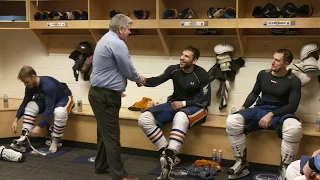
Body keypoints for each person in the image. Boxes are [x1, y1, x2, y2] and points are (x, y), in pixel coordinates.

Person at [225, 49, 303, 180]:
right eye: (273, 58)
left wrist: (272, 114)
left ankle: (285, 168)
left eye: (277, 60)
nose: (273, 62)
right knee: (233, 120)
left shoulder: (294, 80)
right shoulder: (263, 74)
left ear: (286, 64)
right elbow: (254, 93)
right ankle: (241, 162)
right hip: (261, 108)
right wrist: (244, 107)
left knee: (294, 129)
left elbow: (292, 106)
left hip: (281, 112)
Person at [137, 46, 211, 180]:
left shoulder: (202, 74)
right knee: (144, 118)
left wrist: (183, 104)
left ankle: (169, 156)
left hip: (197, 107)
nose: (182, 58)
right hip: (175, 104)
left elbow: (205, 100)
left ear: (194, 61)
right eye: (182, 55)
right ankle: (170, 156)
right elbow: (157, 80)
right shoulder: (174, 69)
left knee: (180, 115)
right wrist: (143, 81)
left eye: (187, 56)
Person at [88, 14, 145, 180]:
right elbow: (127, 68)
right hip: (105, 96)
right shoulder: (117, 43)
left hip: (100, 93)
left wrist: (116, 87)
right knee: (112, 136)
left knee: (103, 133)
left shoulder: (105, 38)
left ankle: (101, 166)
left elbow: (110, 69)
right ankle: (120, 176)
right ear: (120, 29)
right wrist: (139, 79)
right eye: (128, 29)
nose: (130, 32)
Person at [11, 66, 74, 154]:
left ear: (33, 76)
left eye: (26, 82)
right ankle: (24, 137)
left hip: (63, 98)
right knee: (30, 105)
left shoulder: (48, 86)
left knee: (60, 112)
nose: (25, 84)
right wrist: (16, 119)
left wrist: (39, 126)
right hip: (46, 99)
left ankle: (55, 140)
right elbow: (25, 102)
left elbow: (49, 109)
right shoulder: (30, 86)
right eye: (24, 82)